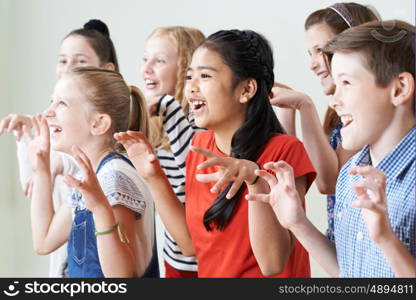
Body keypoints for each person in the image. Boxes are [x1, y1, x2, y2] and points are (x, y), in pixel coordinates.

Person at [115, 29, 316, 277]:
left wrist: (255, 181)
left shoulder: (285, 151)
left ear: (246, 90)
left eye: (205, 76)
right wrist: (153, 175)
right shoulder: (199, 144)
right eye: (189, 77)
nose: (192, 87)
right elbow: (189, 245)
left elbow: (273, 264)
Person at [248, 20, 416, 277]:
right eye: (335, 85)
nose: (335, 101)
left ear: (400, 88)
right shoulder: (351, 174)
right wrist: (297, 222)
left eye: (347, 83)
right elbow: (347, 272)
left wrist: (386, 239)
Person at [0, 19, 119, 277]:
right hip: (66, 265)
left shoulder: (110, 164)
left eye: (80, 61)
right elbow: (35, 190)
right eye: (63, 60)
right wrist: (29, 142)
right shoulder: (62, 132)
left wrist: (56, 162)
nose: (68, 68)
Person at [26, 67, 156, 277]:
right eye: (53, 101)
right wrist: (41, 169)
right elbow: (44, 241)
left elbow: (122, 278)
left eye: (62, 104)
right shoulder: (91, 175)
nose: (48, 111)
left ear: (99, 123)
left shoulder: (115, 177)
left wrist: (100, 208)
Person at [270, 2, 379, 242]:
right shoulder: (336, 116)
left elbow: (328, 182)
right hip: (342, 244)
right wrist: (288, 114)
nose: (312, 63)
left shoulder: (365, 115)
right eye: (310, 53)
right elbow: (302, 174)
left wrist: (304, 107)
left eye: (321, 50)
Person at [141, 26, 204, 277]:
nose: (147, 69)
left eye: (159, 61)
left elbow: (191, 171)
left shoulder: (196, 122)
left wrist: (167, 105)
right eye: (145, 59)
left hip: (201, 265)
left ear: (187, 70)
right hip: (174, 258)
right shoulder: (159, 123)